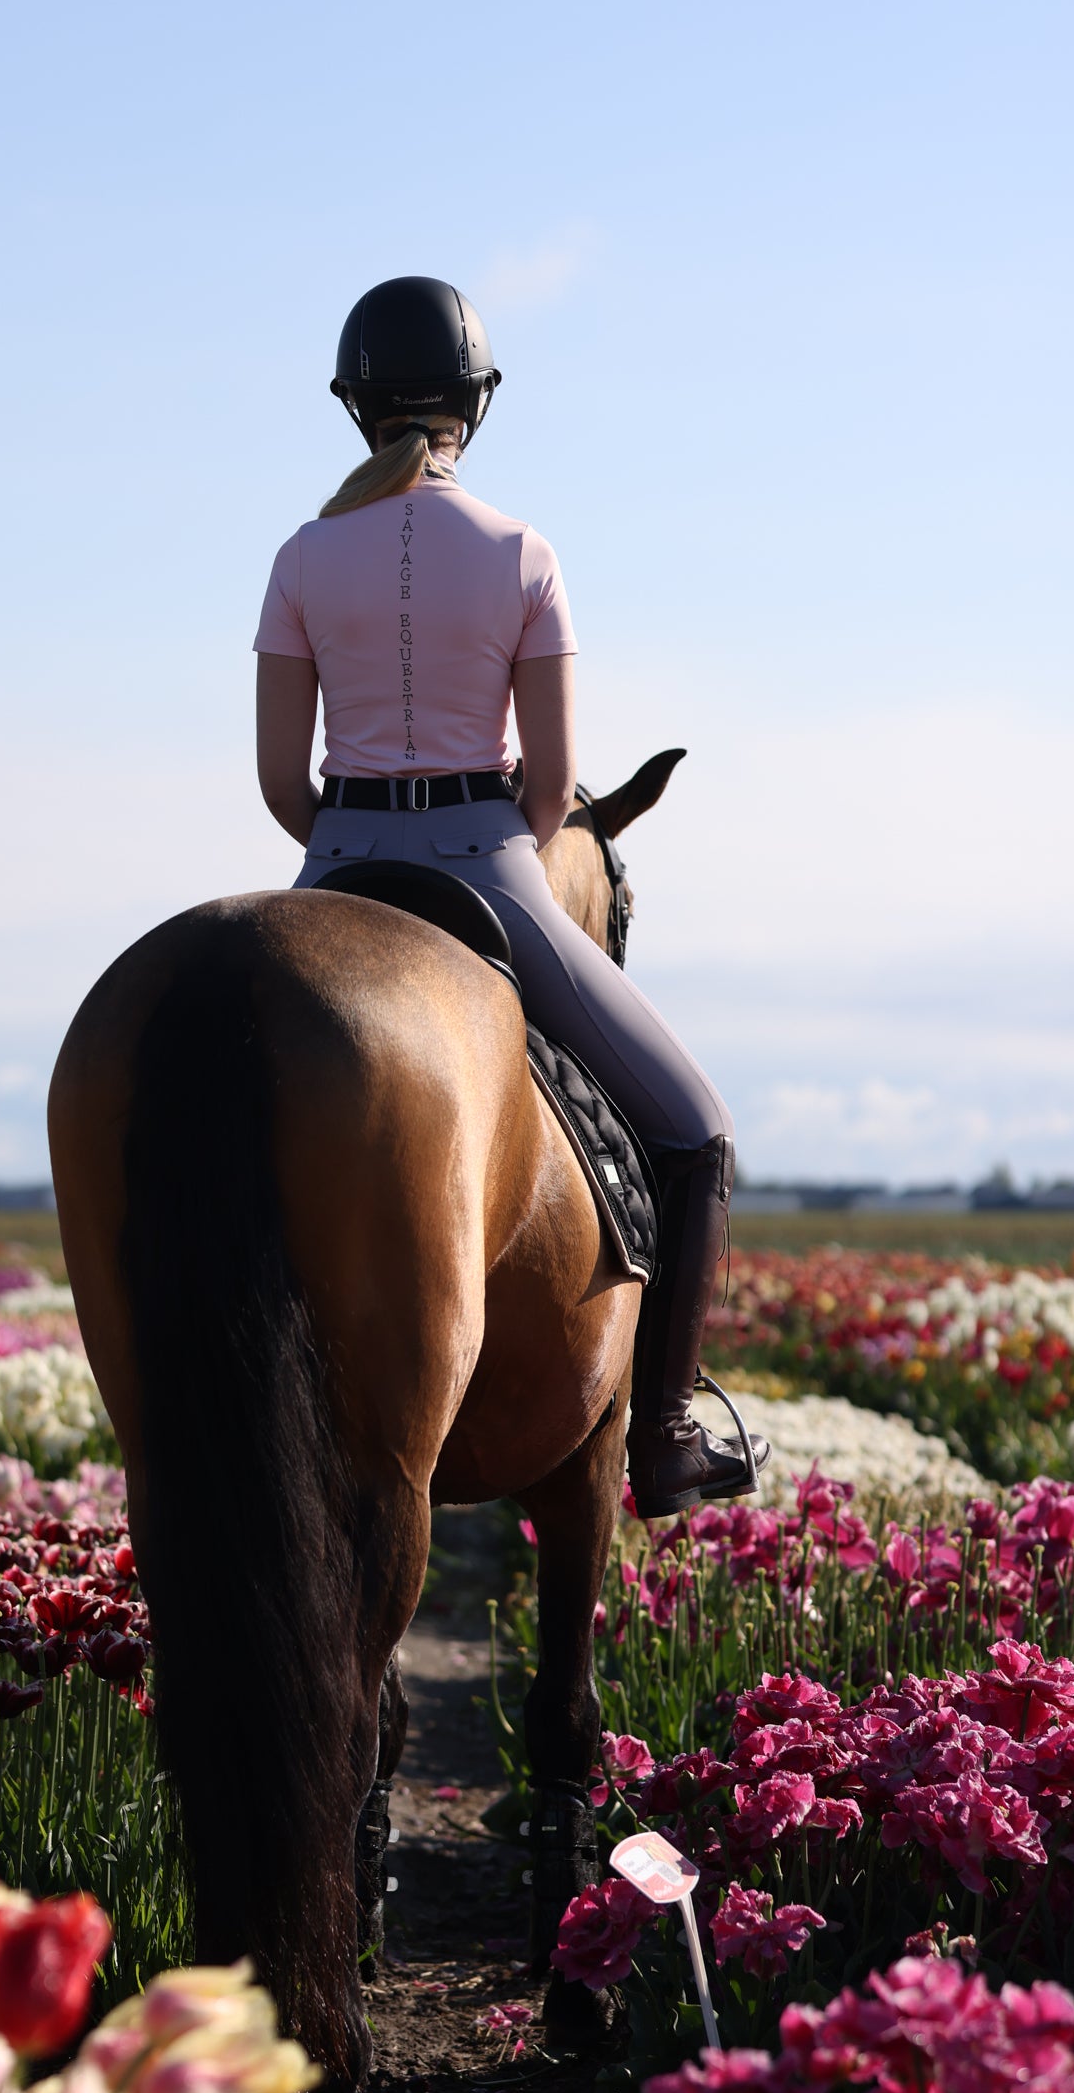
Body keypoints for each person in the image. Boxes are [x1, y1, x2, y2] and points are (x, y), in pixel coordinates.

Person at [253, 275, 767, 1512]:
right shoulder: (523, 554)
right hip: (490, 863)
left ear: (353, 403)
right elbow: (547, 788)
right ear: (473, 404)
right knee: (696, 1132)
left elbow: (280, 783)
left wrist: (353, 846)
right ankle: (662, 1434)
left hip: (332, 869)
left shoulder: (301, 556)